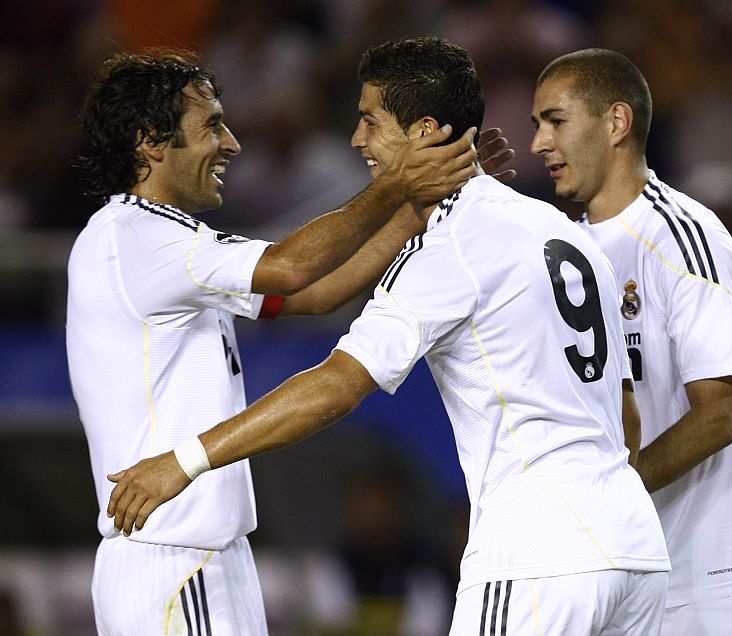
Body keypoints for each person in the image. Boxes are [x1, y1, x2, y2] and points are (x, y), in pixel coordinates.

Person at [105, 37, 670, 635]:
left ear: (424, 131)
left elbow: (335, 388)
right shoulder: (568, 233)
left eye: (370, 121)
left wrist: (184, 461)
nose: (357, 140)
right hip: (636, 548)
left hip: (539, 556)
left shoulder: (451, 246)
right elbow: (627, 413)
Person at [66, 48, 479, 635]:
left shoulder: (162, 245)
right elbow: (290, 268)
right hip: (174, 560)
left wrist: (418, 208)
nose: (231, 143)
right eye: (211, 125)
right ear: (151, 141)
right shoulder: (134, 237)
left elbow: (313, 293)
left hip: (201, 559)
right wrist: (395, 188)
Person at [530, 48, 732, 634]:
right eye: (537, 124)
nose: (539, 142)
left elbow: (717, 417)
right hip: (614, 580)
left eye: (556, 121)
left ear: (616, 122)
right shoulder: (561, 254)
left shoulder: (685, 237)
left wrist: (606, 499)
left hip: (706, 582)